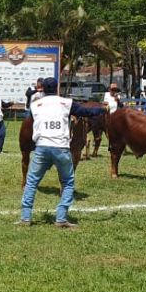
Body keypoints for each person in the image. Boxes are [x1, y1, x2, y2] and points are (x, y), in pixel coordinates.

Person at [18, 77, 106, 229]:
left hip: (41, 147)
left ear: (42, 89)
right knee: (68, 183)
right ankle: (61, 218)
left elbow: (33, 122)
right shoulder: (66, 103)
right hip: (61, 147)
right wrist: (102, 109)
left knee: (31, 182)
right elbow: (87, 112)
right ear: (57, 88)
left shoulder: (35, 105)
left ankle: (25, 218)